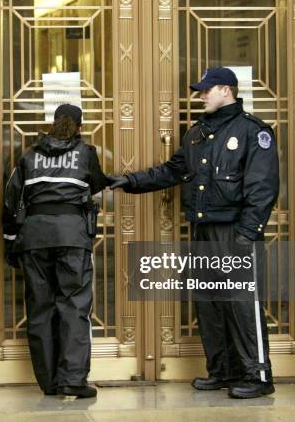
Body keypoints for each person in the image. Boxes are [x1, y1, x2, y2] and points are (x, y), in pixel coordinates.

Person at [108, 67, 279, 399]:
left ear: (226, 90)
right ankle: (223, 371)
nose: (201, 95)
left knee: (242, 303)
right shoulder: (197, 134)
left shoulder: (253, 132)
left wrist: (247, 234)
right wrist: (129, 182)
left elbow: (263, 189)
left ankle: (258, 376)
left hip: (234, 232)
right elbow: (173, 170)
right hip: (203, 229)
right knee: (210, 303)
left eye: (206, 90)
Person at [3, 104, 107, 398]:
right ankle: (72, 380)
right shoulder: (86, 153)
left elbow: (11, 199)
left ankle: (48, 382)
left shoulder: (29, 155)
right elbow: (96, 183)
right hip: (72, 236)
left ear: (52, 124)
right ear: (79, 127)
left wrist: (11, 240)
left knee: (40, 307)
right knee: (74, 306)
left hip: (34, 237)